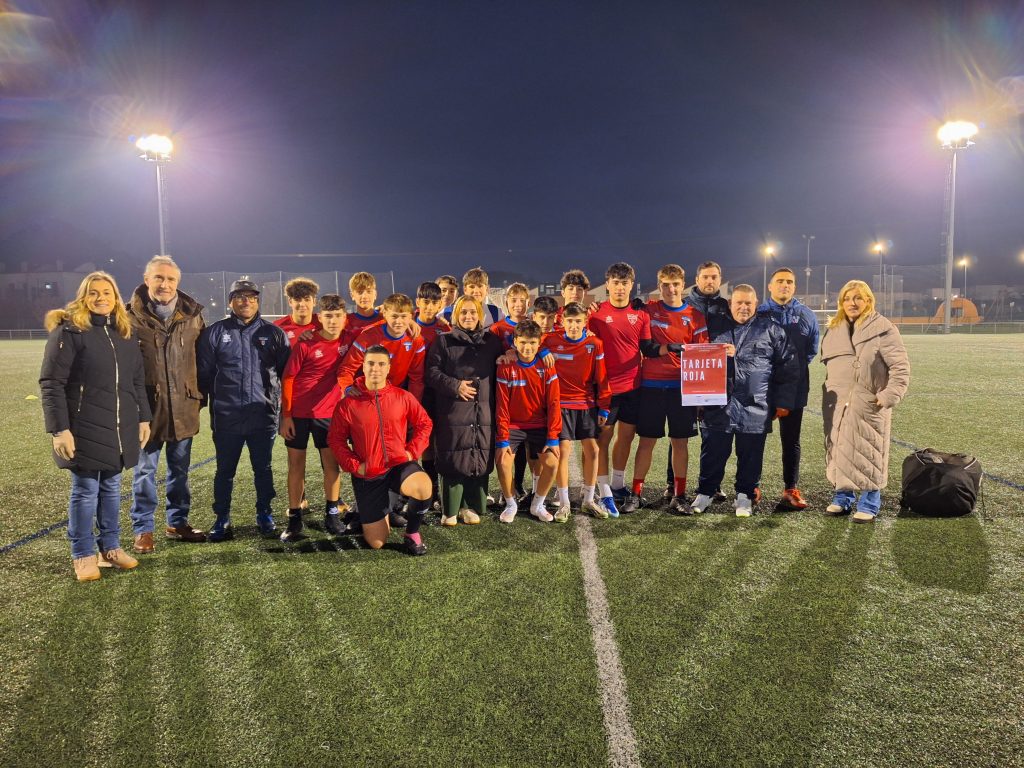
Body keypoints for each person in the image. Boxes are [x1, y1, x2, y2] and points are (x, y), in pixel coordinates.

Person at [40, 271, 151, 581]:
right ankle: (83, 554)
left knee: (112, 487)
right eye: (94, 293)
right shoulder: (70, 332)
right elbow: (51, 383)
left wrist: (143, 417)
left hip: (119, 427)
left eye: (107, 292)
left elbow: (136, 381)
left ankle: (110, 548)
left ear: (117, 298)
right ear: (84, 297)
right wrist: (60, 429)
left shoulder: (125, 333)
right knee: (86, 489)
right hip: (83, 426)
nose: (102, 297)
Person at [690, 285, 799, 517]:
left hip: (755, 405)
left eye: (748, 303)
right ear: (730, 304)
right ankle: (705, 492)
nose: (743, 307)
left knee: (751, 454)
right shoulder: (714, 327)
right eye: (739, 302)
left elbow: (788, 367)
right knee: (712, 451)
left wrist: (783, 401)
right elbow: (695, 352)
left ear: (756, 303)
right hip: (717, 404)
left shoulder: (771, 329)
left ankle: (744, 495)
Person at [197, 279, 290, 541]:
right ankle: (222, 517)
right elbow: (204, 374)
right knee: (225, 471)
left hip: (263, 416)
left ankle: (265, 513)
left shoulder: (273, 333)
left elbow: (285, 374)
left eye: (251, 296)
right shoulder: (215, 332)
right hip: (227, 418)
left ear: (257, 301)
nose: (245, 301)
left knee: (263, 468)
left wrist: (281, 410)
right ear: (230, 301)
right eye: (239, 296)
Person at [126, 255, 207, 553]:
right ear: (147, 280)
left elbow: (204, 360)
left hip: (184, 407)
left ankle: (177, 522)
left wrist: (200, 396)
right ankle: (143, 528)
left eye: (171, 279)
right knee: (144, 472)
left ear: (178, 283)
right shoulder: (128, 316)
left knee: (180, 471)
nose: (165, 284)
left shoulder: (193, 315)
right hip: (146, 411)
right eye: (159, 278)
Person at [328, 345, 433, 555]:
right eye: (371, 363)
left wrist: (412, 452)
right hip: (369, 474)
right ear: (363, 367)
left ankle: (412, 534)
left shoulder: (402, 396)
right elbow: (336, 439)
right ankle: (377, 511)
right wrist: (356, 466)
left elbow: (424, 423)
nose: (376, 368)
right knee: (377, 542)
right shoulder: (348, 404)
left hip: (398, 465)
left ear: (388, 368)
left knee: (423, 486)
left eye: (381, 364)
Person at [820, 280, 910, 523]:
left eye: (858, 298)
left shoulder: (883, 329)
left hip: (869, 404)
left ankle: (870, 502)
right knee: (839, 450)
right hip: (837, 404)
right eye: (848, 298)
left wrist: (888, 396)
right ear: (841, 302)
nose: (853, 302)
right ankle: (842, 497)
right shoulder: (834, 329)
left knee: (869, 452)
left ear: (868, 301)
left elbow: (900, 368)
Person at [626, 264, 709, 515]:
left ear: (683, 285)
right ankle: (636, 493)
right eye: (665, 284)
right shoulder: (648, 309)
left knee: (680, 442)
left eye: (675, 284)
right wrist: (632, 305)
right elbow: (623, 314)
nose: (671, 289)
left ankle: (679, 494)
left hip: (680, 389)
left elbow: (702, 356)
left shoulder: (695, 316)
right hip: (650, 386)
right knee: (647, 441)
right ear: (659, 285)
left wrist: (701, 396)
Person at [586, 262, 660, 517]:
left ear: (631, 285)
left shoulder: (641, 314)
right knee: (602, 440)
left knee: (626, 437)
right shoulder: (595, 314)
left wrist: (674, 349)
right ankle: (604, 488)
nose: (619, 287)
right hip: (606, 390)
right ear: (607, 284)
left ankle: (618, 484)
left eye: (624, 283)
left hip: (633, 387)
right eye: (615, 283)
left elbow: (647, 347)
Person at [426, 295, 506, 526]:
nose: (468, 316)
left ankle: (471, 506)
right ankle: (451, 508)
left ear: (480, 316)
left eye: (473, 312)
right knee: (454, 455)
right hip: (453, 411)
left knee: (478, 453)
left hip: (483, 410)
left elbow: (504, 360)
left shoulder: (491, 342)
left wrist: (507, 355)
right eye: (463, 312)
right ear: (456, 316)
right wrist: (455, 386)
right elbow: (432, 372)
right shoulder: (444, 341)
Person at [279, 294, 350, 541]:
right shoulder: (306, 343)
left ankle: (332, 513)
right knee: (296, 466)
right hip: (298, 414)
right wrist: (286, 415)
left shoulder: (349, 340)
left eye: (337, 316)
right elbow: (288, 379)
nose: (333, 321)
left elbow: (373, 327)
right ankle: (295, 518)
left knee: (331, 465)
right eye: (328, 316)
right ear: (320, 318)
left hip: (329, 414)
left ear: (344, 318)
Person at [543, 302, 612, 521]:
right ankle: (563, 503)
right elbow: (534, 344)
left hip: (586, 404)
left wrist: (604, 406)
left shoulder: (595, 344)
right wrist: (543, 350)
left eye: (578, 321)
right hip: (560, 404)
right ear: (562, 322)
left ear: (585, 322)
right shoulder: (551, 340)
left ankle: (589, 500)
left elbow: (601, 378)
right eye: (570, 321)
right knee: (562, 450)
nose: (574, 326)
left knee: (592, 450)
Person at [759, 268, 820, 511]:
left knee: (791, 439)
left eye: (789, 282)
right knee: (755, 438)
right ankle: (751, 485)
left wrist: (790, 371)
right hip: (762, 385)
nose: (785, 285)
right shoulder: (758, 313)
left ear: (794, 287)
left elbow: (812, 350)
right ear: (770, 287)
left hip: (795, 386)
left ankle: (790, 487)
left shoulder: (806, 314)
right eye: (780, 281)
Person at [495, 320, 562, 523]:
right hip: (513, 425)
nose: (527, 347)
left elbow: (554, 403)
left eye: (532, 342)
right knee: (503, 461)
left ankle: (537, 504)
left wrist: (552, 437)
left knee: (551, 463)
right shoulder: (506, 367)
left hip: (539, 424)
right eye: (522, 342)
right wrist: (503, 439)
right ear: (514, 342)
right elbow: (502, 406)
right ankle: (510, 503)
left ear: (539, 342)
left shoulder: (547, 366)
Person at [337, 293, 427, 400]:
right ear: (385, 314)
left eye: (403, 316)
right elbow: (346, 368)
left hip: (394, 394)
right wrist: (347, 387)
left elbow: (416, 378)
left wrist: (413, 403)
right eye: (394, 316)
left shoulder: (416, 340)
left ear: (411, 316)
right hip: (366, 393)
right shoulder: (368, 336)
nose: (398, 321)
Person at [274, 276, 321, 342]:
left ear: (314, 302)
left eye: (307, 299)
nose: (302, 304)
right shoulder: (277, 327)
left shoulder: (324, 323)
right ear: (290, 302)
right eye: (297, 299)